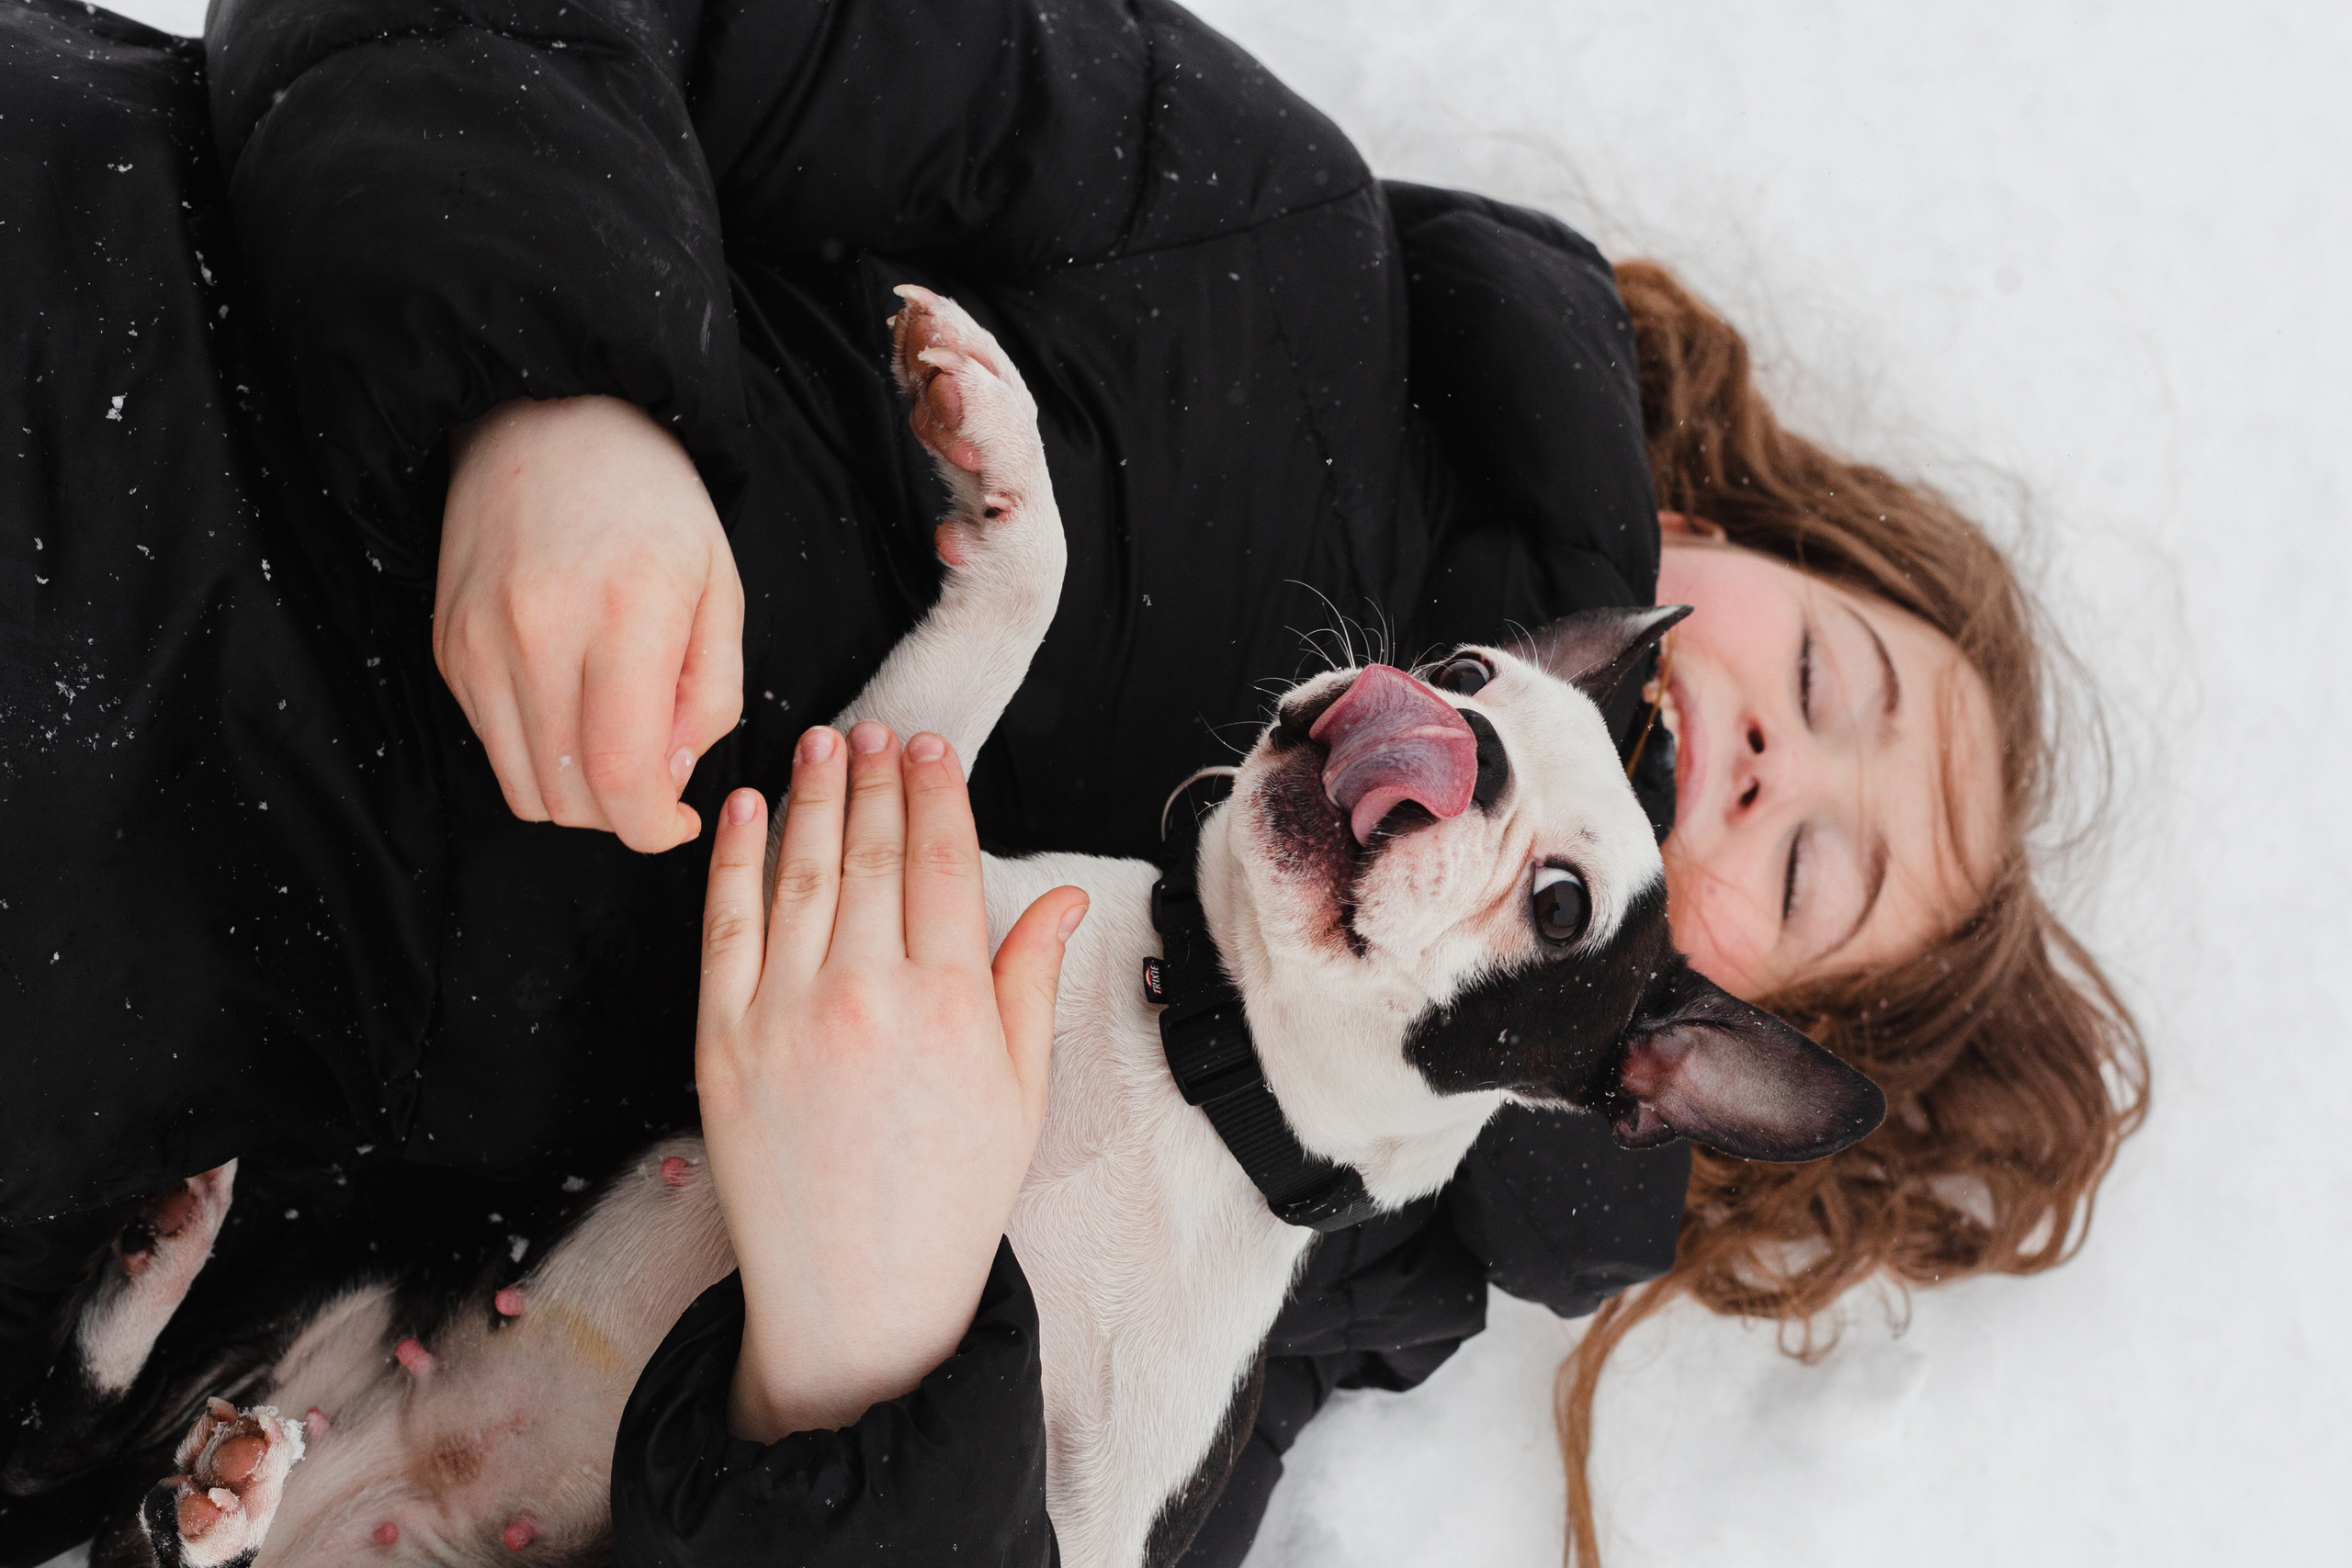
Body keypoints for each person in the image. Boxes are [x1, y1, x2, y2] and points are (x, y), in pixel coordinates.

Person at [0, 0, 2143, 1561]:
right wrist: (549, 396)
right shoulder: (1269, 265)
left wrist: (872, 1347)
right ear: (1706, 541)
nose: (1764, 765)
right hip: (92, 396)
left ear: (1662, 1068)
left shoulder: (1312, 1298)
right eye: (1826, 678)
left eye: (1809, 867)